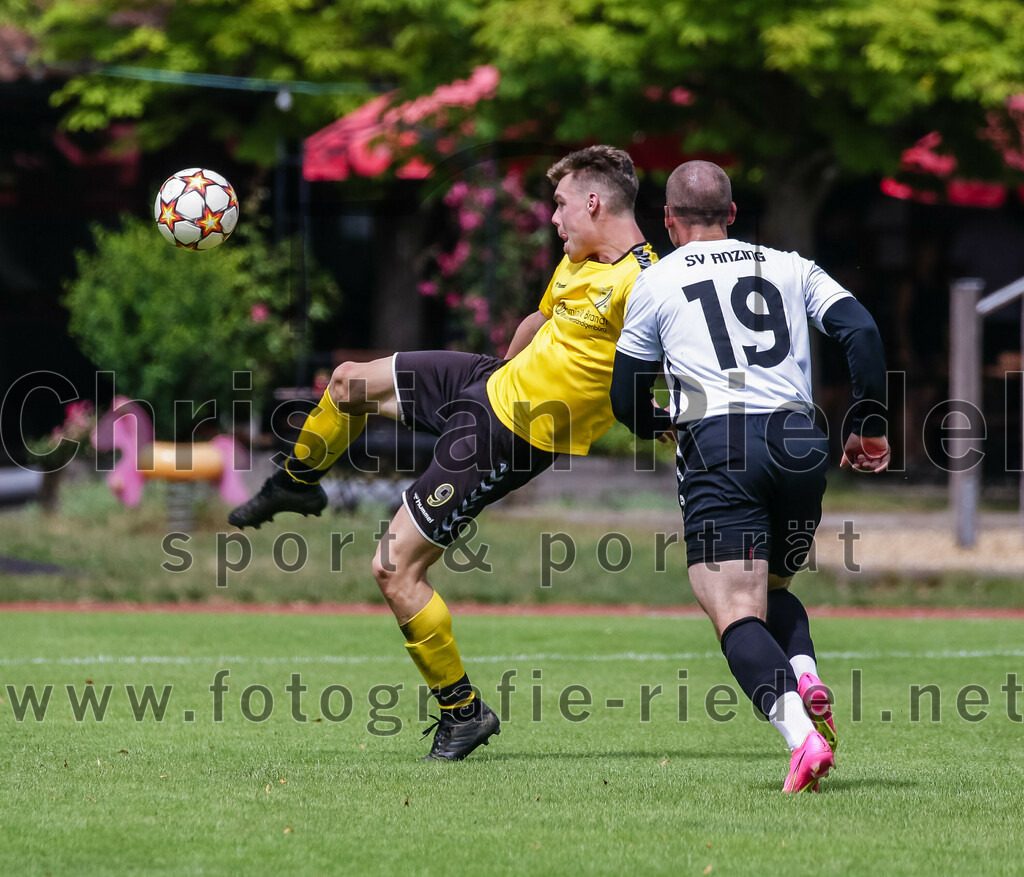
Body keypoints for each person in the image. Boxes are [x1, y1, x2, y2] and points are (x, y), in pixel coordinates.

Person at [230, 145, 657, 760]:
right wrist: (501, 374)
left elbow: (668, 367)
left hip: (511, 437)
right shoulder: (578, 258)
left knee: (392, 569)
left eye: (561, 205)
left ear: (594, 202)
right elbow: (539, 323)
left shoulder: (645, 284)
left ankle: (463, 714)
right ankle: (297, 479)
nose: (554, 218)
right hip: (488, 385)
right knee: (348, 381)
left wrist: (673, 419)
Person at [610, 160, 889, 793]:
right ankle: (805, 671)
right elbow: (862, 331)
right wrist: (867, 423)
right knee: (775, 588)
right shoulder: (789, 264)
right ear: (734, 214)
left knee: (734, 610)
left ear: (670, 221)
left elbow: (625, 397)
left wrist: (660, 423)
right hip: (797, 440)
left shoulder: (654, 281)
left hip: (721, 442)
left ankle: (802, 740)